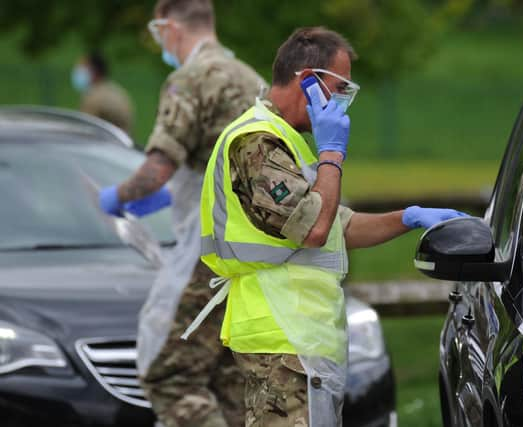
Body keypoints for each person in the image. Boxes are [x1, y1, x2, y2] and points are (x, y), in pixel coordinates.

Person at [187, 27, 467, 427]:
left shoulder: (288, 142)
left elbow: (338, 226)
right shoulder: (255, 144)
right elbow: (313, 229)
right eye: (339, 89)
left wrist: (408, 218)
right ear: (307, 82)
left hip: (301, 342)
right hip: (282, 340)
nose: (341, 103)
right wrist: (332, 155)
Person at [97, 0, 266, 426]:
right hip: (258, 256)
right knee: (231, 380)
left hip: (209, 252)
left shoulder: (190, 80)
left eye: (158, 32)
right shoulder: (253, 81)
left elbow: (158, 166)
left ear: (170, 27)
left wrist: (117, 196)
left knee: (169, 377)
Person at [71, 52, 134, 134]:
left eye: (83, 67)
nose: (78, 70)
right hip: (119, 143)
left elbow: (84, 129)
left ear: (93, 70)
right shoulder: (115, 90)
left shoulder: (95, 96)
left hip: (105, 144)